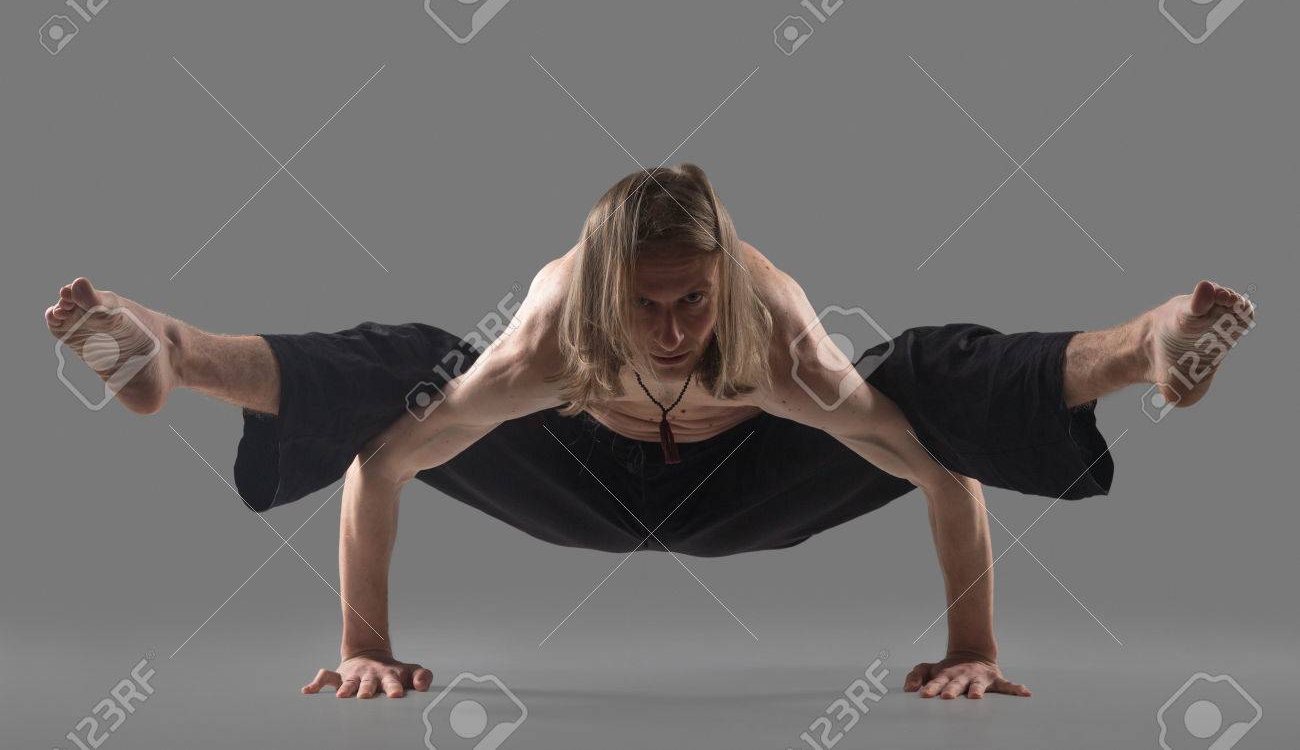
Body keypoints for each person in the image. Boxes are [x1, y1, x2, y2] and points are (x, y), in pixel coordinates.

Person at [44, 164, 1255, 702]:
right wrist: (370, 645)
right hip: (573, 474)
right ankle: (168, 350)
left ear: (725, 283)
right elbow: (389, 457)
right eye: (647, 304)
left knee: (929, 371)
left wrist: (970, 645)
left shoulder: (776, 337)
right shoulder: (544, 337)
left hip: (755, 480)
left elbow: (932, 464)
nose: (673, 328)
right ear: (603, 290)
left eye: (693, 301)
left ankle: (1142, 346)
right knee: (409, 369)